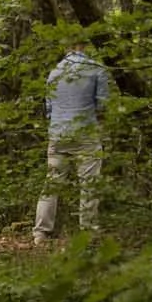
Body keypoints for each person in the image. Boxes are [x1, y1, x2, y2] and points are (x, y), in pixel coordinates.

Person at [34, 39, 111, 242]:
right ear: (85, 46)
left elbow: (49, 110)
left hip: (58, 134)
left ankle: (40, 233)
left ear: (66, 47)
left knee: (52, 183)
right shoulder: (96, 69)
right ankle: (88, 231)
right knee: (89, 183)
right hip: (86, 133)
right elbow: (103, 105)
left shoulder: (54, 73)